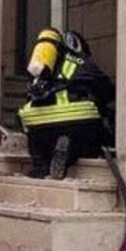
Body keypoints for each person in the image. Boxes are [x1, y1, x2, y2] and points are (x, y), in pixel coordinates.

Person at [18, 29, 115, 179]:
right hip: (74, 119)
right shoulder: (81, 62)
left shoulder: (40, 66)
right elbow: (107, 90)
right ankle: (70, 149)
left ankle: (40, 166)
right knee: (89, 139)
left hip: (36, 123)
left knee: (39, 142)